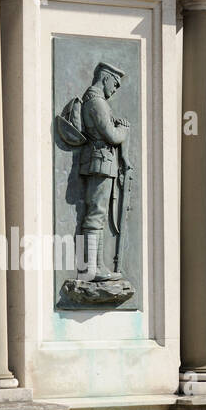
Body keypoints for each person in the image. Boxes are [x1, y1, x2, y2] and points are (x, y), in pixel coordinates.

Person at [78, 61, 128, 281]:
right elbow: (112, 136)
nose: (115, 89)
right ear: (106, 77)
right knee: (96, 215)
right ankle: (91, 268)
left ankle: (97, 266)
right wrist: (123, 129)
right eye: (115, 83)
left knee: (97, 215)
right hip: (100, 161)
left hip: (101, 161)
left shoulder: (95, 101)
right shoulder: (96, 102)